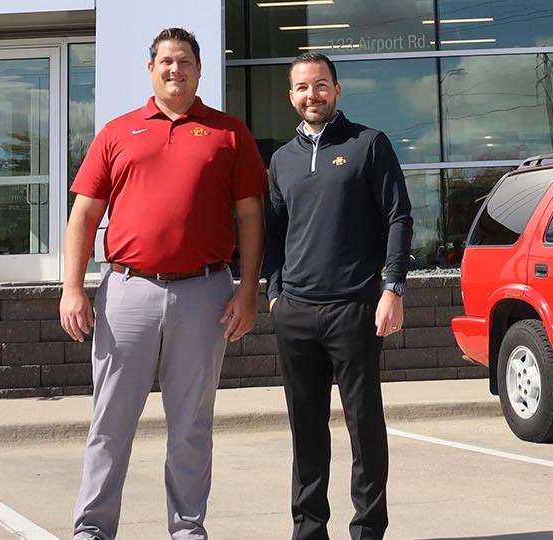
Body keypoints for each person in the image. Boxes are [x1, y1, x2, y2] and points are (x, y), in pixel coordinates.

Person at [59, 27, 264, 540]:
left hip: (205, 292)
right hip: (127, 291)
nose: (176, 69)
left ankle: (188, 529)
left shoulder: (228, 133)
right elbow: (83, 215)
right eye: (166, 61)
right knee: (110, 420)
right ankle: (92, 529)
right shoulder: (117, 131)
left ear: (199, 70)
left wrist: (248, 289)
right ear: (151, 69)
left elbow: (251, 217)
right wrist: (72, 288)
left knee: (191, 423)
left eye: (185, 62)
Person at [261, 51, 413, 540]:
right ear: (291, 96)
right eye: (303, 87)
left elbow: (398, 218)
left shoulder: (369, 144)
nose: (313, 94)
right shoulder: (281, 160)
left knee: (364, 425)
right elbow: (274, 234)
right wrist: (275, 293)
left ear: (337, 90)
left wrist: (391, 288)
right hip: (297, 314)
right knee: (306, 431)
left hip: (355, 308)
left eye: (321, 85)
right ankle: (309, 529)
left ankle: (368, 530)